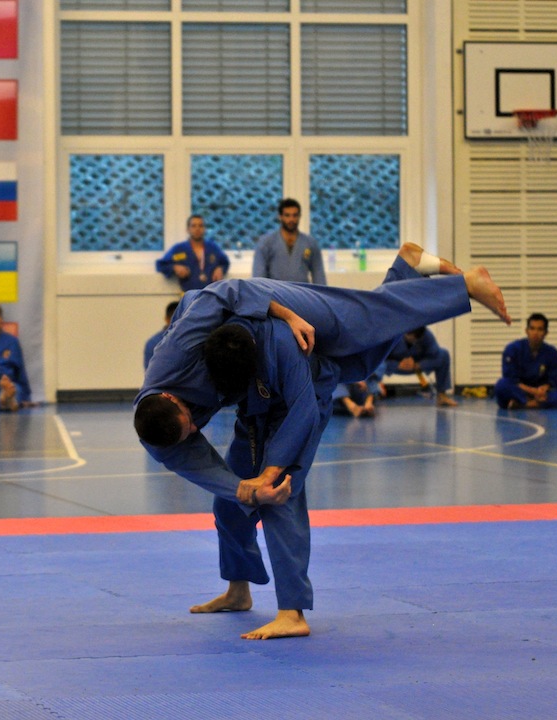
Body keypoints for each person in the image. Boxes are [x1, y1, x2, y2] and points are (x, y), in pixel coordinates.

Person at [135, 243, 511, 640]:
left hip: (282, 314)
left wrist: (272, 471)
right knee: (232, 503)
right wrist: (243, 488)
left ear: (172, 397)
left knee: (360, 326)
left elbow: (228, 296)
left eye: (190, 423)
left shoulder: (180, 352)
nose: (197, 429)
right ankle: (238, 590)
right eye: (188, 434)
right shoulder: (158, 430)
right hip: (256, 394)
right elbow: (203, 468)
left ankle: (292, 612)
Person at [494, 313, 557, 409]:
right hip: (519, 391)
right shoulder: (513, 349)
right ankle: (531, 403)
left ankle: (525, 404)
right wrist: (533, 391)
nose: (535, 333)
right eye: (532, 328)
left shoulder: (552, 353)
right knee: (501, 385)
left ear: (546, 333)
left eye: (540, 329)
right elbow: (511, 379)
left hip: (541, 394)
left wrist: (543, 389)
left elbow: (553, 382)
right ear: (526, 331)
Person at [251, 198, 326, 284]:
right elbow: (258, 277)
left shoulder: (310, 243)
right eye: (287, 215)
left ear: (299, 216)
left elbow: (319, 275)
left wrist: (322, 292)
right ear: (280, 217)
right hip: (275, 291)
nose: (291, 219)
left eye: (295, 215)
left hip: (301, 290)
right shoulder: (266, 243)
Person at [380, 327, 458, 407]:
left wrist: (419, 364)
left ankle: (442, 396)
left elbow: (434, 354)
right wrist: (397, 364)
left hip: (417, 365)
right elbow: (379, 356)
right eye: (410, 337)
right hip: (393, 365)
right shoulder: (392, 334)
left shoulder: (426, 334)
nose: (413, 340)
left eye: (416, 338)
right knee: (376, 362)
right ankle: (371, 397)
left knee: (443, 355)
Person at [155, 215, 230, 292]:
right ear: (188, 229)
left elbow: (225, 262)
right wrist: (174, 267)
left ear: (204, 229)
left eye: (200, 226)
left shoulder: (213, 248)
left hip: (211, 293)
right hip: (189, 294)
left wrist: (220, 269)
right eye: (193, 226)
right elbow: (161, 265)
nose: (197, 229)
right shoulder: (179, 249)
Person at [144, 300, 180, 370]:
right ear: (167, 319)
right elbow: (151, 372)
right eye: (175, 319)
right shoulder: (153, 343)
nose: (178, 323)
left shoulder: (193, 339)